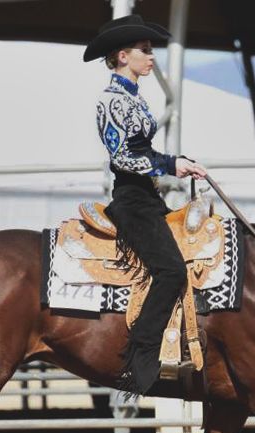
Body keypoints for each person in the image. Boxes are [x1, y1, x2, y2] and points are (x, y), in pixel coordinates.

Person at [84, 14, 207, 394]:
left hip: (147, 198)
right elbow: (123, 157)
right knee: (170, 271)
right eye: (145, 51)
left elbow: (143, 151)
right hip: (132, 201)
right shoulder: (111, 100)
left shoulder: (132, 98)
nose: (152, 58)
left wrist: (174, 161)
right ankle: (140, 357)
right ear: (123, 56)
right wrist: (172, 164)